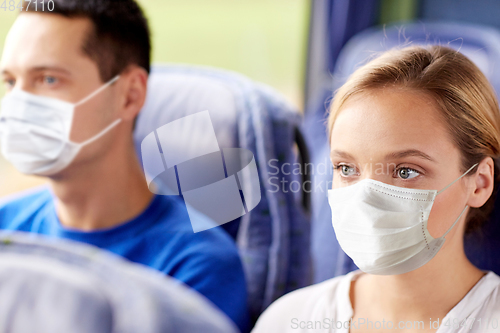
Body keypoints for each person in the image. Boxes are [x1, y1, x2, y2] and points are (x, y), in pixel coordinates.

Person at [0, 1, 249, 332]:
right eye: (10, 82)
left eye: (48, 79)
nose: (18, 103)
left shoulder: (197, 266)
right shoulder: (7, 229)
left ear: (130, 95)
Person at [252, 45, 500, 332]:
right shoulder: (286, 321)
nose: (366, 199)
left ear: (479, 183)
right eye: (347, 169)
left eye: (405, 171)